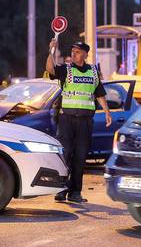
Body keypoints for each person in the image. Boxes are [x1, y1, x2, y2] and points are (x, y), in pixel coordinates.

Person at [46, 39, 112, 203]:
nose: (73, 54)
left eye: (76, 52)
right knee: (64, 155)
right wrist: (51, 51)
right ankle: (61, 190)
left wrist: (107, 112)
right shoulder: (66, 70)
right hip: (67, 120)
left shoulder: (93, 72)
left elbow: (99, 94)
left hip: (85, 121)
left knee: (80, 157)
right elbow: (49, 69)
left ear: (84, 54)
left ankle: (75, 193)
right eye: (72, 51)